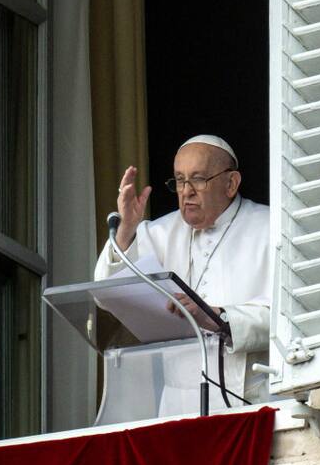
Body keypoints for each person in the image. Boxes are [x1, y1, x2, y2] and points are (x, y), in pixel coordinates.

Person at [94, 134, 271, 408]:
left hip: (252, 399)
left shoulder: (270, 228)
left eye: (198, 179)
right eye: (179, 179)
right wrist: (126, 230)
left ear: (231, 183)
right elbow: (105, 294)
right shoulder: (158, 233)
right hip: (177, 404)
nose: (186, 191)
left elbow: (290, 319)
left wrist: (220, 319)